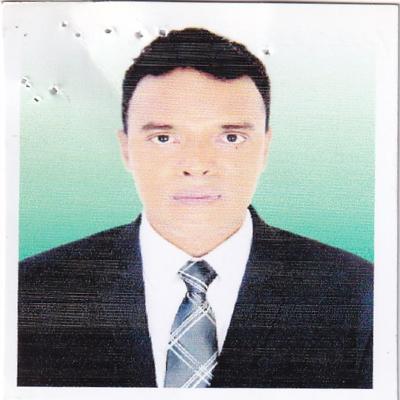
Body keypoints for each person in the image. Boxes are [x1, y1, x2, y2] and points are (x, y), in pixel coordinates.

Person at [18, 28, 373, 388]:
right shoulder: (30, 292)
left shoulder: (361, 295)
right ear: (126, 149)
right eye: (164, 138)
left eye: (231, 137)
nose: (197, 165)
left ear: (265, 148)